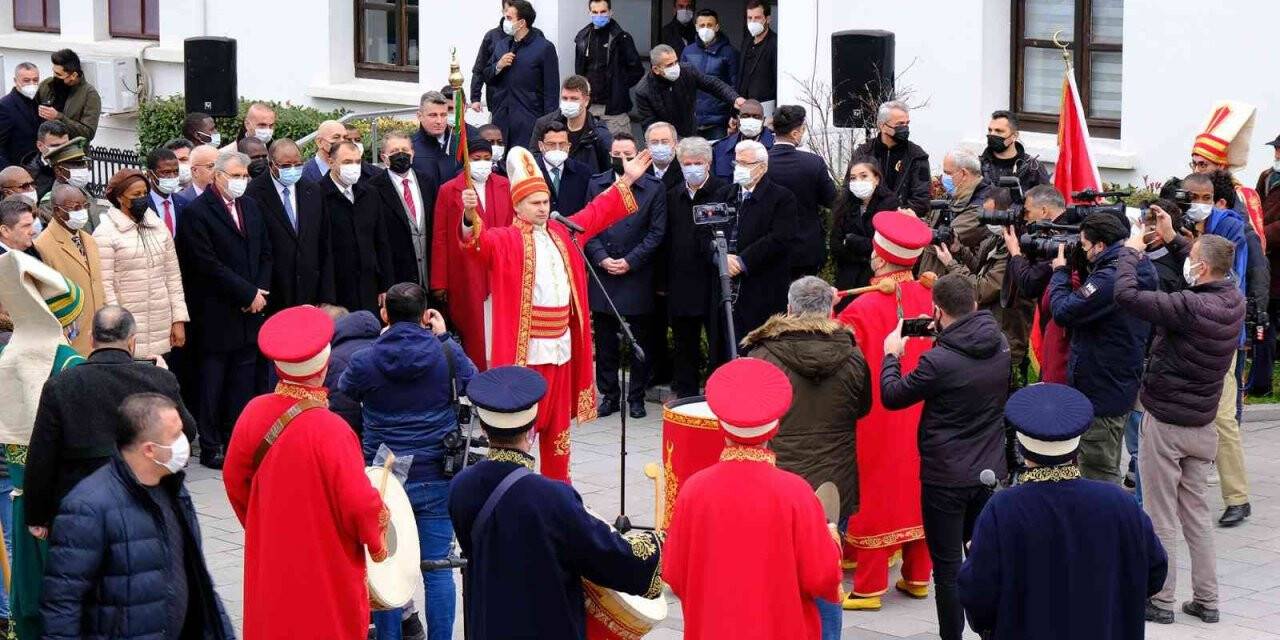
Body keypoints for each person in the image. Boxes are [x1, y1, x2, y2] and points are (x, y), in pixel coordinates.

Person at [458, 146, 651, 480]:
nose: (543, 208)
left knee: (559, 431)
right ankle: (514, 487)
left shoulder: (564, 233)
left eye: (546, 202)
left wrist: (628, 180)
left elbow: (596, 211)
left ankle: (558, 489)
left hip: (561, 347)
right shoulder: (504, 240)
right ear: (517, 205)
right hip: (526, 351)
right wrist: (468, 216)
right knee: (522, 428)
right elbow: (476, 243)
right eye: (535, 203)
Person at [449, 365, 664, 639]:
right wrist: (659, 545)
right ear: (531, 430)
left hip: (488, 625)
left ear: (485, 427)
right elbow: (609, 556)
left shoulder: (460, 487)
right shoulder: (552, 498)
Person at [223, 305, 389, 639]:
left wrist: (260, 521)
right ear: (325, 365)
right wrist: (378, 541)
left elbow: (233, 479)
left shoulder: (253, 412)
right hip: (326, 561)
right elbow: (359, 504)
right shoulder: (333, 429)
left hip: (272, 557)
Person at [958, 383, 1168, 640]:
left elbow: (977, 596)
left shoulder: (1004, 509)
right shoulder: (1119, 502)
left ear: (1022, 450)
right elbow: (1155, 573)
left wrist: (974, 557)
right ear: (1077, 447)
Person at [1112, 229, 1242, 625]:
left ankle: (1161, 599)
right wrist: (1174, 240)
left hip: (1166, 424)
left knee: (1160, 514)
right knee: (1197, 516)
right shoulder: (1234, 299)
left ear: (1200, 268)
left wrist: (1131, 254)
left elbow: (1127, 296)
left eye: (1192, 258)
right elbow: (1210, 263)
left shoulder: (1187, 306)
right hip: (1202, 426)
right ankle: (1207, 600)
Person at [663, 357, 842, 640]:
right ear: (774, 429)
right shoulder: (796, 492)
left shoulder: (694, 490)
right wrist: (831, 539)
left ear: (722, 428)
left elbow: (673, 572)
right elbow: (822, 577)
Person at [879, 273, 1010, 640]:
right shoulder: (999, 343)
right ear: (975, 303)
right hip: (987, 470)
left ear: (937, 310)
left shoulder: (939, 362)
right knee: (984, 557)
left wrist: (892, 355)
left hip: (945, 476)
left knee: (948, 568)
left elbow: (893, 395)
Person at [339, 284, 475, 640]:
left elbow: (346, 388)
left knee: (386, 568)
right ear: (425, 314)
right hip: (435, 475)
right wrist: (445, 337)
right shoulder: (446, 353)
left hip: (384, 480)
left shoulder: (365, 360)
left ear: (385, 314)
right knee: (438, 569)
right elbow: (473, 382)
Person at [41, 392, 234, 639]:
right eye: (175, 436)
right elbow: (62, 605)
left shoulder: (174, 489)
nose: (184, 442)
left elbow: (199, 579)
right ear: (150, 450)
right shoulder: (87, 508)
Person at [24, 305, 196, 535]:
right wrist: (165, 379)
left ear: (91, 339)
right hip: (146, 504)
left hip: (79, 507)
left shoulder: (61, 385)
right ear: (132, 341)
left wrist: (37, 516)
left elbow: (42, 456)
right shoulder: (159, 380)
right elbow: (188, 432)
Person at [835, 211, 933, 611]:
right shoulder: (930, 297)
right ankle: (916, 576)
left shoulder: (863, 307)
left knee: (875, 483)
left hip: (876, 409)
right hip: (923, 405)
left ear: (878, 257)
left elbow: (837, 354)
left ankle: (869, 584)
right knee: (916, 480)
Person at [740, 276, 869, 559]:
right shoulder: (853, 354)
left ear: (789, 308)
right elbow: (863, 408)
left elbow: (749, 419)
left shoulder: (762, 355)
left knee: (780, 564)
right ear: (828, 309)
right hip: (836, 479)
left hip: (780, 476)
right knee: (826, 565)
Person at [0, 251, 85, 640]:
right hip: (62, 502)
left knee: (29, 589)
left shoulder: (8, 354)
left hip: (21, 497)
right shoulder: (69, 363)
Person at [175, 150, 273, 469]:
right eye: (235, 176)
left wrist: (258, 291)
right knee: (213, 382)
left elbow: (265, 253)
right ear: (217, 176)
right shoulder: (197, 213)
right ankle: (211, 442)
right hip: (217, 313)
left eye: (245, 176)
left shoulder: (252, 206)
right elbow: (206, 264)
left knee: (242, 382)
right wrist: (246, 293)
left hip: (250, 313)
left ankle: (236, 438)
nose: (242, 182)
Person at [1049, 213, 1156, 483]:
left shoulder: (1110, 278)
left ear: (1100, 245)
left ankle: (1109, 523)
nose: (1081, 251)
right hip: (1117, 379)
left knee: (1098, 471)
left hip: (1101, 389)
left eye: (1084, 246)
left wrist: (1060, 273)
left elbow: (1064, 311)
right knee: (1104, 461)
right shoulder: (1137, 266)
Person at [586, 133, 666, 419]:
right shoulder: (597, 184)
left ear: (638, 156)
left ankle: (636, 397)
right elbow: (589, 224)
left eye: (628, 154)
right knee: (605, 341)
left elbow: (657, 233)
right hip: (604, 272)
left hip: (637, 273)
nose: (623, 160)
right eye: (617, 154)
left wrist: (630, 262)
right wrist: (602, 258)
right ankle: (609, 395)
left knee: (639, 340)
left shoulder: (654, 188)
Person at [430, 138, 513, 370]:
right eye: (477, 160)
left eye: (487, 159)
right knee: (474, 330)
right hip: (466, 272)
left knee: (500, 329)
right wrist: (440, 281)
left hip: (500, 269)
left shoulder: (505, 185)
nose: (483, 164)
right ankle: (474, 383)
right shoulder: (449, 190)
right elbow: (440, 236)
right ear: (466, 161)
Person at [94, 169, 188, 363]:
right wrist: (116, 328)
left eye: (144, 193)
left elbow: (172, 276)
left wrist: (178, 319)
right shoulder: (106, 233)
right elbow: (105, 285)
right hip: (128, 328)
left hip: (161, 325)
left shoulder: (158, 227)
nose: (142, 198)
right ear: (120, 198)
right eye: (135, 195)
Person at [715, 139, 796, 341]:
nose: (739, 168)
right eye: (737, 163)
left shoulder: (782, 197)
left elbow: (780, 238)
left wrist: (742, 261)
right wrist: (720, 257)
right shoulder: (724, 194)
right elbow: (707, 232)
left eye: (746, 164)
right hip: (725, 284)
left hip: (762, 286)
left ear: (762, 167)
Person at [666, 137, 725, 396]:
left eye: (697, 163)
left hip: (713, 283)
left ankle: (718, 394)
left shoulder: (723, 192)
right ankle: (686, 398)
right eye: (687, 163)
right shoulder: (672, 196)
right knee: (684, 347)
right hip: (682, 283)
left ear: (708, 163)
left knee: (718, 345)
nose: (692, 168)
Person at [246, 138, 334, 314]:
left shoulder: (313, 190)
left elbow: (324, 242)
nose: (293, 169)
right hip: (273, 291)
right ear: (271, 165)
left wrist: (327, 295)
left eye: (298, 164)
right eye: (286, 165)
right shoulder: (253, 193)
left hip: (310, 290)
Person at [1002, 184, 1073, 383]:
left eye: (1028, 212)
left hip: (1057, 326)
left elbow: (1030, 284)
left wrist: (1015, 252)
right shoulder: (1057, 229)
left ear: (1043, 211)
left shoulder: (1057, 239)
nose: (1025, 217)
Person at [321, 141, 392, 314]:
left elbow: (381, 241)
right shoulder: (318, 195)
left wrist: (386, 285)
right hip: (337, 291)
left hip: (369, 287)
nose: (353, 167)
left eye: (357, 162)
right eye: (347, 162)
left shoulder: (370, 194)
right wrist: (325, 297)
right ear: (331, 162)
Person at [33, 184, 104, 353]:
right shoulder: (43, 246)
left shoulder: (89, 240)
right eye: (76, 208)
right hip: (72, 338)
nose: (82, 212)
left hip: (98, 335)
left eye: (85, 206)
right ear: (57, 211)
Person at [484, 1, 559, 158]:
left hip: (529, 120)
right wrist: (498, 66)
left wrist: (548, 127)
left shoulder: (544, 48)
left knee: (524, 164)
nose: (505, 21)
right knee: (499, 164)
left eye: (509, 17)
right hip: (501, 118)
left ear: (522, 22)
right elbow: (488, 77)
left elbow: (551, 91)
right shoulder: (502, 45)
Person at [363, 131, 438, 289]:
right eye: (394, 152)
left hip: (431, 275)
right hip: (397, 279)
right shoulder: (372, 188)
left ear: (412, 154)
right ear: (384, 157)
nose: (401, 155)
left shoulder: (428, 182)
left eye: (405, 150)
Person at [769, 106, 836, 279]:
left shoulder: (761, 162)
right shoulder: (813, 163)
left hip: (770, 248)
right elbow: (831, 200)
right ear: (795, 133)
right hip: (807, 249)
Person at [632, 44, 743, 138]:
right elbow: (649, 125)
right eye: (669, 65)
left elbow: (712, 84)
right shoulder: (644, 90)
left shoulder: (687, 71)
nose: (675, 67)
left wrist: (734, 98)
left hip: (689, 132)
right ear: (656, 69)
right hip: (664, 140)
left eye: (676, 62)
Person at [573, 1, 643, 138]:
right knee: (590, 156)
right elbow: (579, 72)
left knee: (619, 154)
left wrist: (619, 85)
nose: (599, 15)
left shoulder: (622, 38)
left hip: (614, 112)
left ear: (611, 12)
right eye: (595, 12)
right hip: (589, 109)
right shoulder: (582, 38)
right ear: (589, 13)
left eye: (603, 11)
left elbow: (637, 70)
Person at [918, 149, 992, 277]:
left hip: (954, 281)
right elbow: (932, 221)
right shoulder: (955, 194)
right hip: (932, 275)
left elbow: (945, 237)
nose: (943, 178)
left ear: (963, 173)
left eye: (948, 173)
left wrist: (913, 225)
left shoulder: (982, 204)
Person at [830, 159, 900, 290]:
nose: (858, 182)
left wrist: (853, 241)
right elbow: (836, 245)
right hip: (847, 276)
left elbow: (885, 245)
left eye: (864, 176)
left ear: (876, 179)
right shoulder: (844, 205)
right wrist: (863, 251)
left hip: (878, 277)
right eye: (853, 178)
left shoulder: (889, 205)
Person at [853, 100, 931, 215]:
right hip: (867, 223)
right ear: (882, 126)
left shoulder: (917, 156)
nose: (905, 128)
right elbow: (849, 190)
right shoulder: (863, 153)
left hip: (902, 223)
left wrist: (896, 214)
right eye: (899, 124)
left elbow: (922, 199)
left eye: (907, 123)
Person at [529, 76, 612, 174]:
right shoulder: (544, 124)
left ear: (586, 101)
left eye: (574, 99)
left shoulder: (598, 134)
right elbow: (533, 160)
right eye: (564, 98)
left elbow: (607, 172)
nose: (568, 103)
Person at [680, 9, 739, 140]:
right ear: (696, 27)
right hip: (692, 122)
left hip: (719, 123)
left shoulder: (729, 53)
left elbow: (735, 87)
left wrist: (733, 116)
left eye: (709, 25)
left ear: (717, 27)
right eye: (702, 25)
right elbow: (681, 85)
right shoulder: (687, 51)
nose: (705, 29)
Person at [325, 308, 379, 436]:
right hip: (393, 435)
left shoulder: (332, 359)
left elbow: (343, 409)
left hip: (354, 436)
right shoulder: (386, 346)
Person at [39, 137, 104, 232]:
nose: (83, 168)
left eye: (83, 163)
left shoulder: (82, 189)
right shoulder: (50, 203)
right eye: (76, 165)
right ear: (59, 170)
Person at [36, 49, 101, 142]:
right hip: (46, 149)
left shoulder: (89, 95)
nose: (54, 76)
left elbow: (88, 133)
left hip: (72, 152)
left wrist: (59, 117)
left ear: (73, 75)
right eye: (54, 72)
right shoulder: (47, 85)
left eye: (58, 74)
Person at [979, 110, 1049, 195]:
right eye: (990, 130)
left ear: (1014, 136)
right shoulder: (978, 165)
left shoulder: (1033, 168)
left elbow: (1045, 201)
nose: (992, 134)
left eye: (999, 131)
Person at [412, 92, 475, 183]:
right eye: (433, 115)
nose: (439, 121)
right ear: (419, 116)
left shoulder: (461, 146)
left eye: (443, 115)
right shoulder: (409, 147)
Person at [535, 121, 592, 216]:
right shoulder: (529, 171)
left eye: (562, 144)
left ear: (569, 146)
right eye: (551, 144)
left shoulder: (583, 173)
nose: (557, 148)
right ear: (541, 146)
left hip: (572, 228)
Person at [710, 99, 774, 182]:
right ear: (738, 119)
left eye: (756, 117)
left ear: (763, 120)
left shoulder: (775, 147)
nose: (751, 120)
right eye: (745, 116)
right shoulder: (720, 148)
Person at [470, 0, 516, 115]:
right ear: (503, 11)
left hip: (524, 104)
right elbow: (479, 68)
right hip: (497, 102)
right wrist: (475, 98)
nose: (510, 14)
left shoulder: (534, 36)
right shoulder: (492, 36)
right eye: (507, 10)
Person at [738, 0, 778, 113]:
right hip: (744, 107)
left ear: (767, 19)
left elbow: (777, 80)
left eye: (757, 18)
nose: (752, 22)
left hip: (766, 109)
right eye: (749, 18)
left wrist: (775, 114)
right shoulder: (747, 42)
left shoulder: (775, 44)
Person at [0, 63, 40, 169]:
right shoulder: (5, 106)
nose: (32, 84)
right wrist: (10, 174)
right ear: (15, 80)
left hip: (39, 169)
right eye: (26, 80)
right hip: (17, 170)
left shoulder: (39, 101)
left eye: (35, 80)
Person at [145, 147, 190, 237]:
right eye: (166, 172)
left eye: (176, 171)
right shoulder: (142, 204)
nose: (172, 176)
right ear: (150, 174)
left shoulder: (184, 203)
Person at [25, 120, 68, 200]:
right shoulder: (29, 175)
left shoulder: (75, 167)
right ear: (40, 146)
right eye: (56, 145)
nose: (62, 150)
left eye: (66, 145)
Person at [301, 120, 347, 184]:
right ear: (319, 142)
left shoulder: (351, 170)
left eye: (345, 137)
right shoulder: (303, 175)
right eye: (336, 137)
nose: (342, 141)